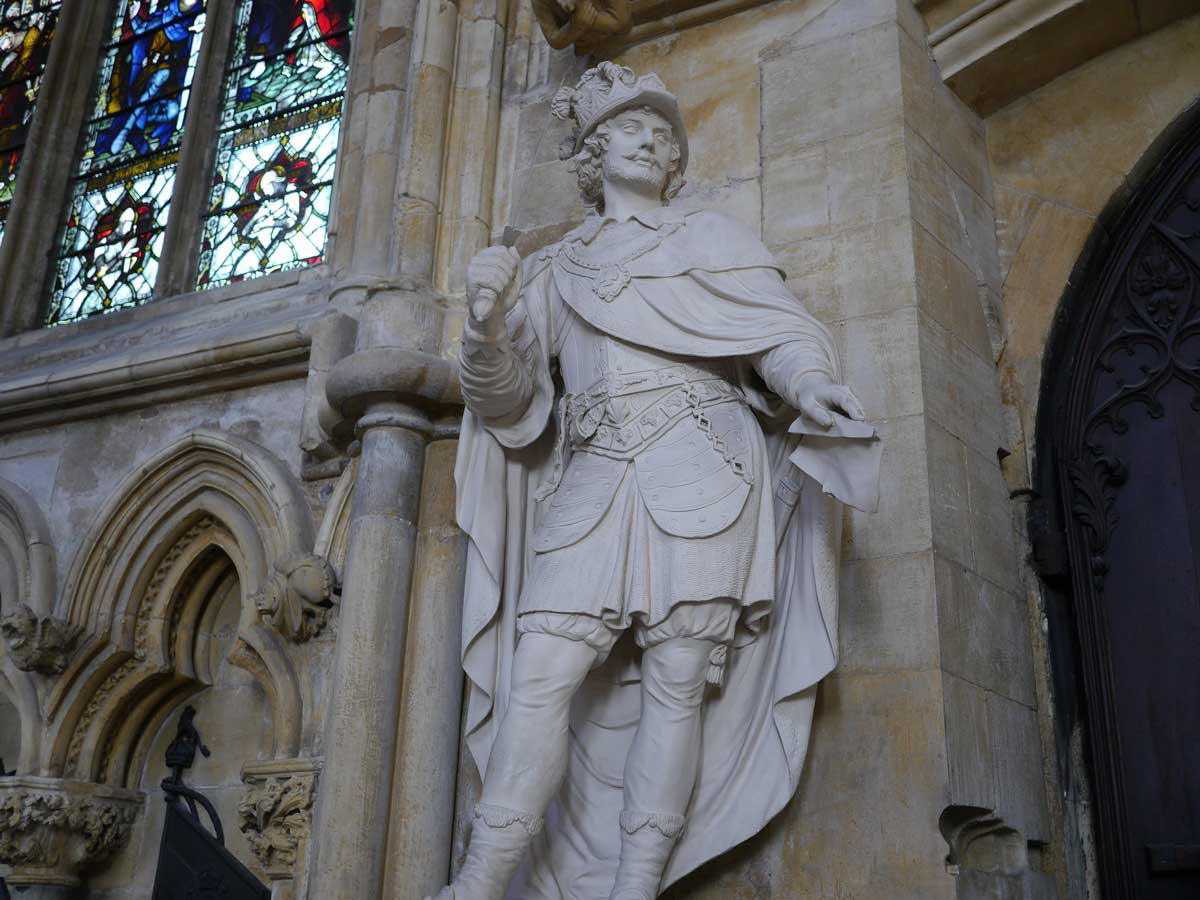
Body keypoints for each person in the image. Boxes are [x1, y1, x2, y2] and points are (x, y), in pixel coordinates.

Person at [441, 63, 880, 900]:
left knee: (679, 684)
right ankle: (482, 879)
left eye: (664, 135)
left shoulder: (712, 240)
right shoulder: (555, 271)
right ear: (593, 152)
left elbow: (774, 334)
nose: (653, 141)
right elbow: (511, 406)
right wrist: (486, 325)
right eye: (633, 130)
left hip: (704, 465)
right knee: (538, 672)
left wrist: (809, 379)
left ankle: (634, 886)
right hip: (594, 475)